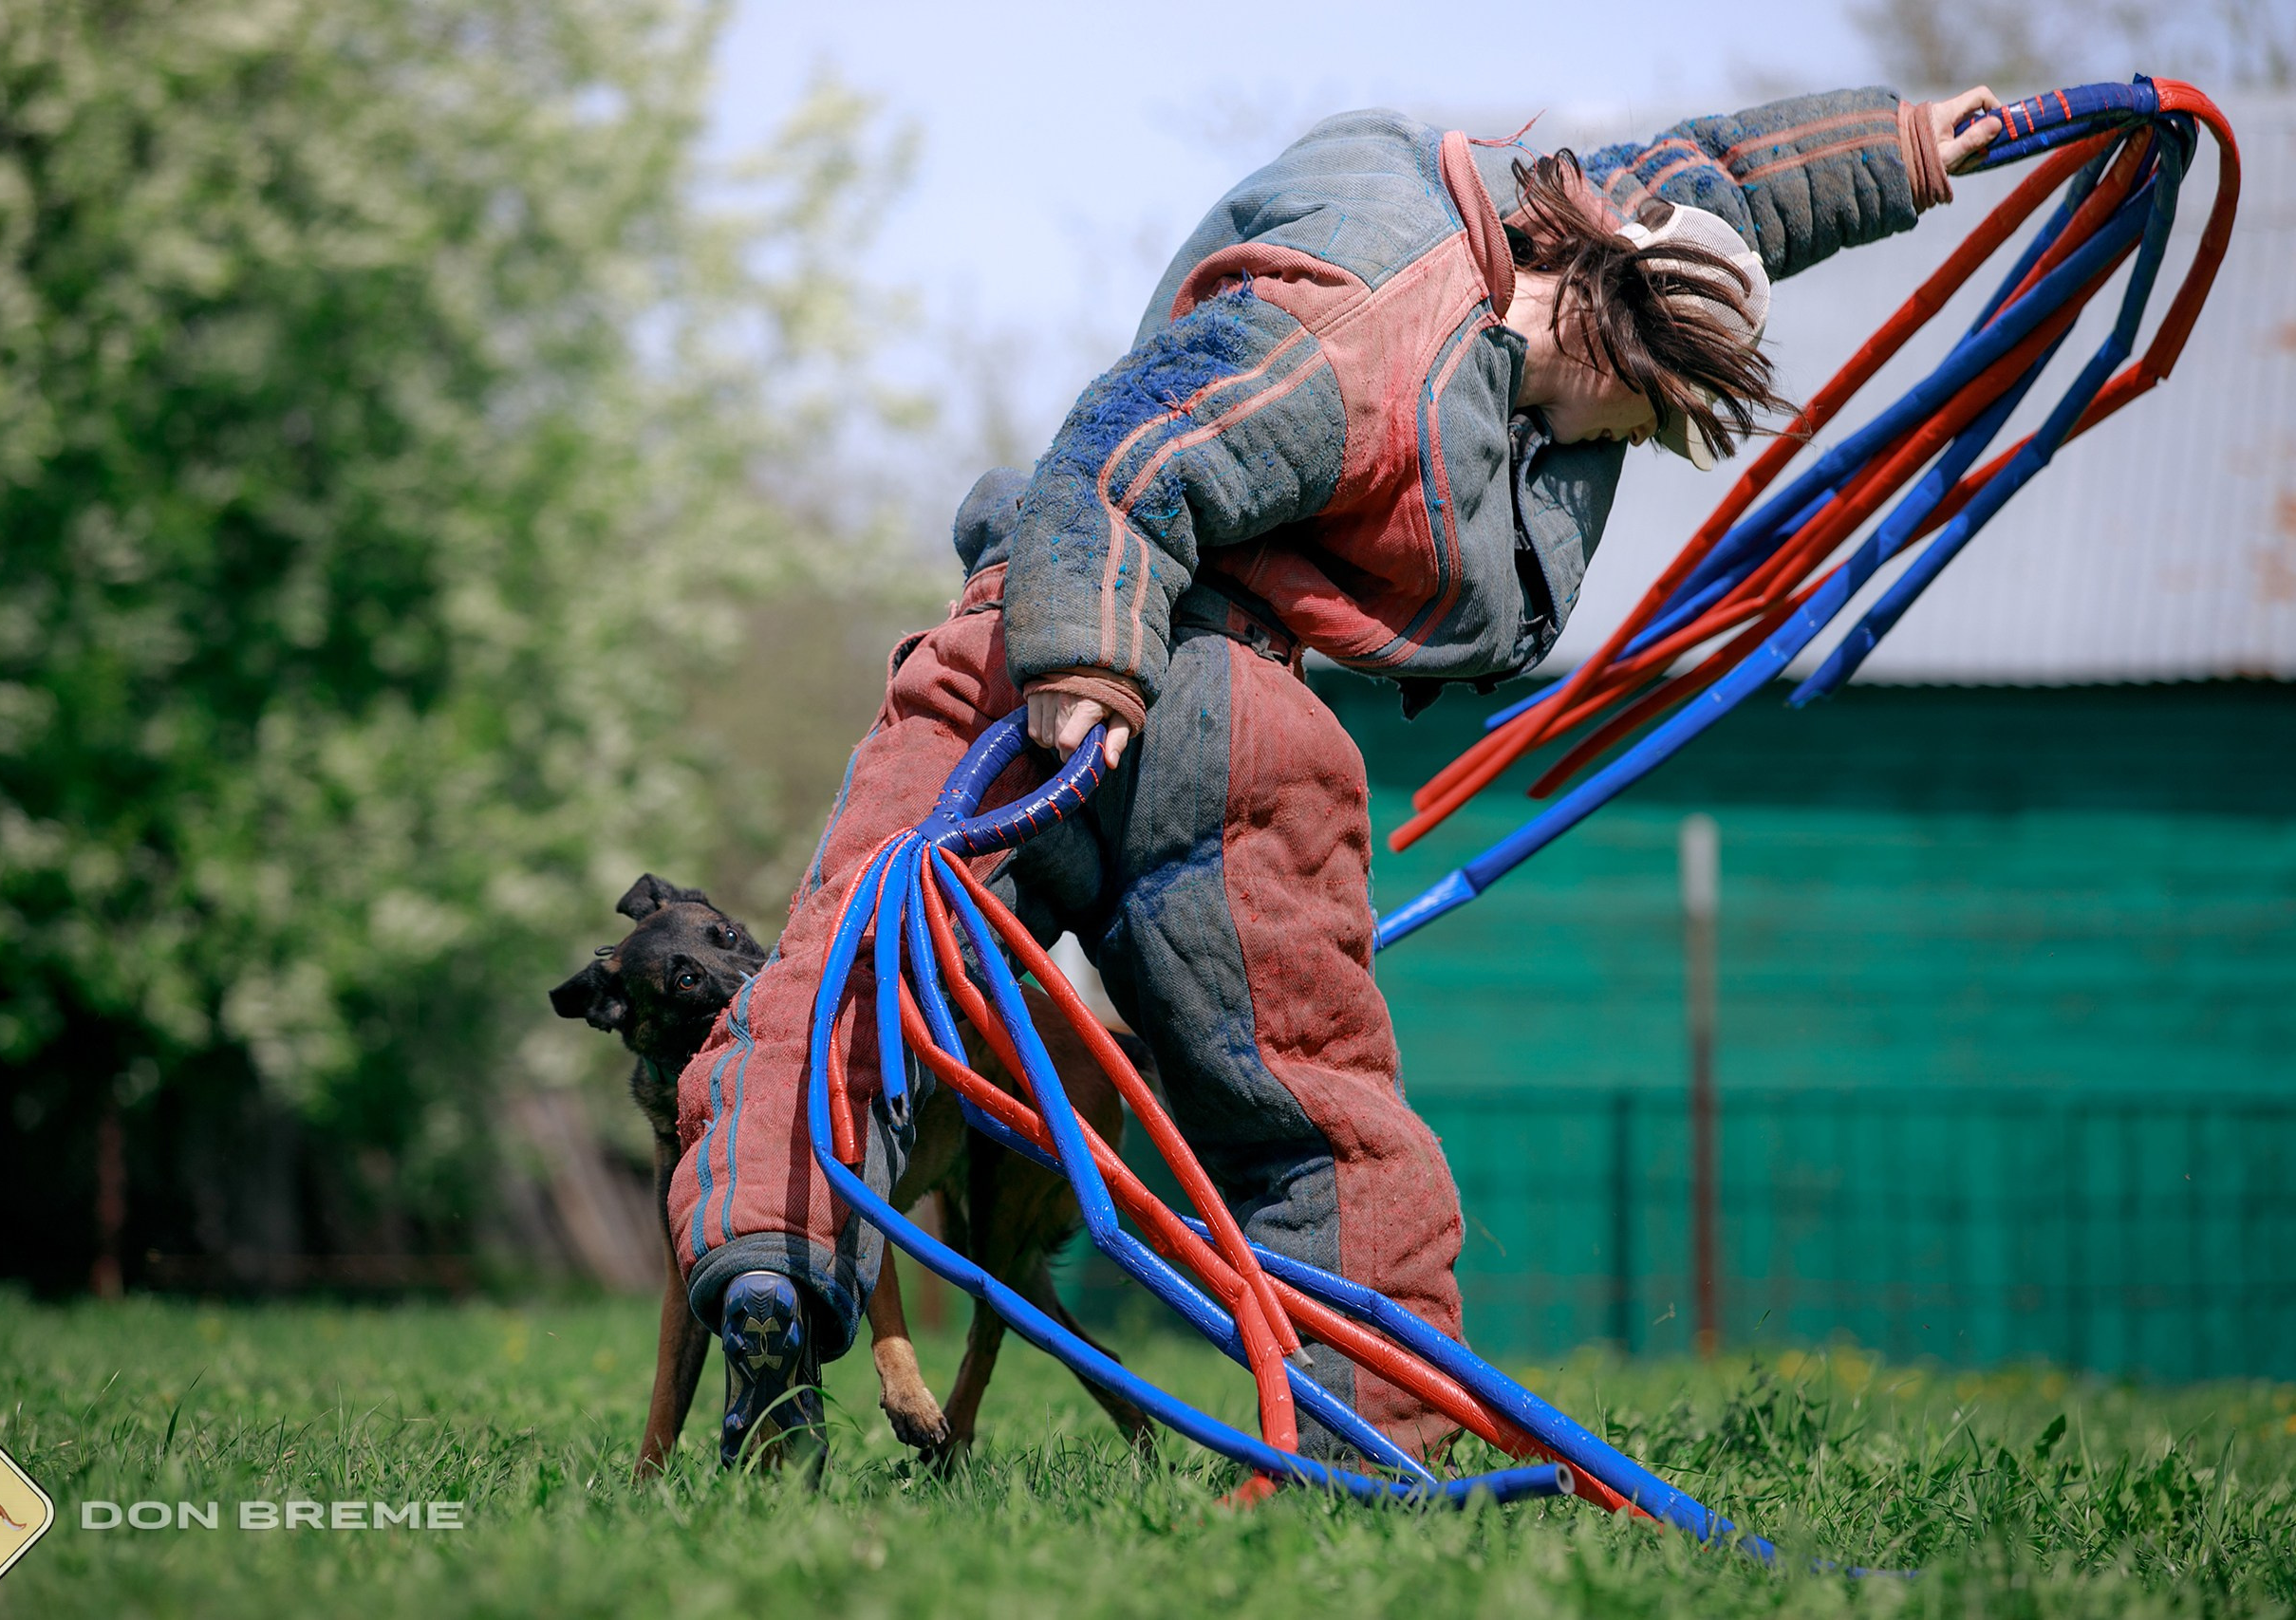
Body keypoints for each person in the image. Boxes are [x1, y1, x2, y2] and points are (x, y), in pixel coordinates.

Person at [675, 83, 2005, 1468]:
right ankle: (1376, 1423)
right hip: (1188, 704)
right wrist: (1092, 662)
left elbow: (1718, 180)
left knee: (839, 985)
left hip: (990, 645)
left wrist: (1914, 147)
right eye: (1643, 420)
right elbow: (1136, 443)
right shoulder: (1368, 336)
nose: (1617, 450)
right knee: (1307, 1100)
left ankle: (764, 1279)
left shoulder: (1559, 227)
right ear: (1614, 338)